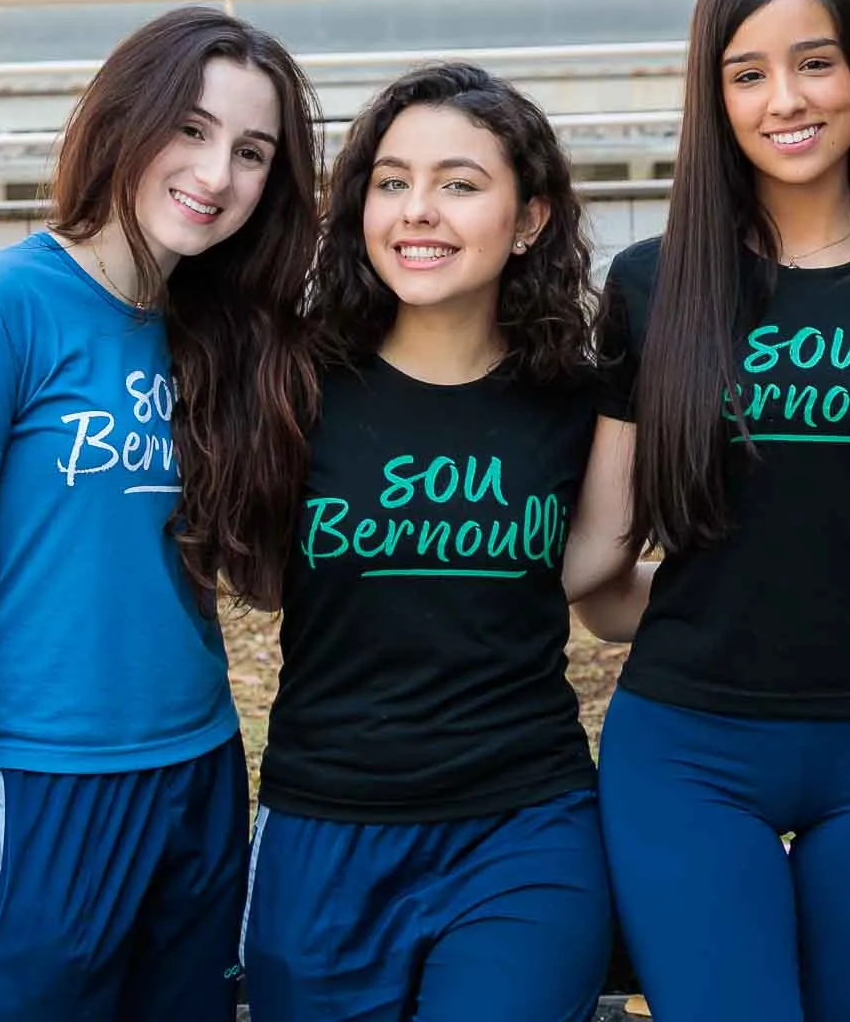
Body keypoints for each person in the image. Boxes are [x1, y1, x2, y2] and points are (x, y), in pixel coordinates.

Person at [563, 0, 850, 1022]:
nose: (786, 99)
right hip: (689, 750)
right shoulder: (653, 284)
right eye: (748, 73)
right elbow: (599, 553)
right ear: (714, 97)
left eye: (814, 61)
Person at [0, 6, 322, 1020]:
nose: (216, 173)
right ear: (126, 119)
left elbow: (257, 574)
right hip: (34, 791)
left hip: (195, 779)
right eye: (191, 128)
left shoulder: (224, 334)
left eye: (251, 151)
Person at [239, 62, 616, 1020]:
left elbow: (599, 574)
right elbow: (252, 573)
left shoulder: (577, 400)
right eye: (392, 181)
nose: (418, 211)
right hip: (324, 827)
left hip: (521, 828)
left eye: (460, 184)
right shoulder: (292, 385)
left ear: (529, 219)